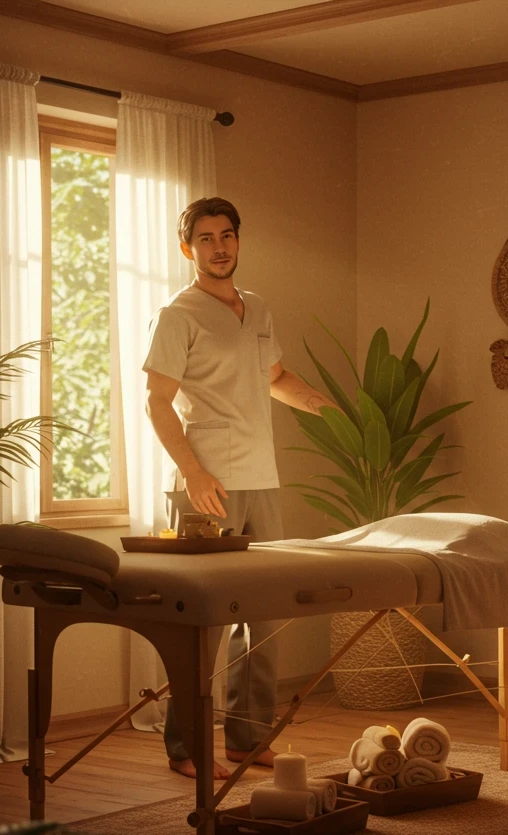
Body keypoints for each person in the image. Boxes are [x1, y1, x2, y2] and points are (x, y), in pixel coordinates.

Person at [143, 196, 335, 780]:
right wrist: (195, 473)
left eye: (226, 236)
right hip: (209, 488)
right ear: (188, 248)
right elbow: (156, 401)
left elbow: (274, 377)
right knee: (205, 623)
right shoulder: (178, 314)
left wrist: (325, 408)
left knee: (267, 617)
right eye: (206, 238)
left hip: (262, 480)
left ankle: (247, 740)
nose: (219, 247)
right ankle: (185, 747)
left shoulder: (258, 309)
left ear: (238, 241)